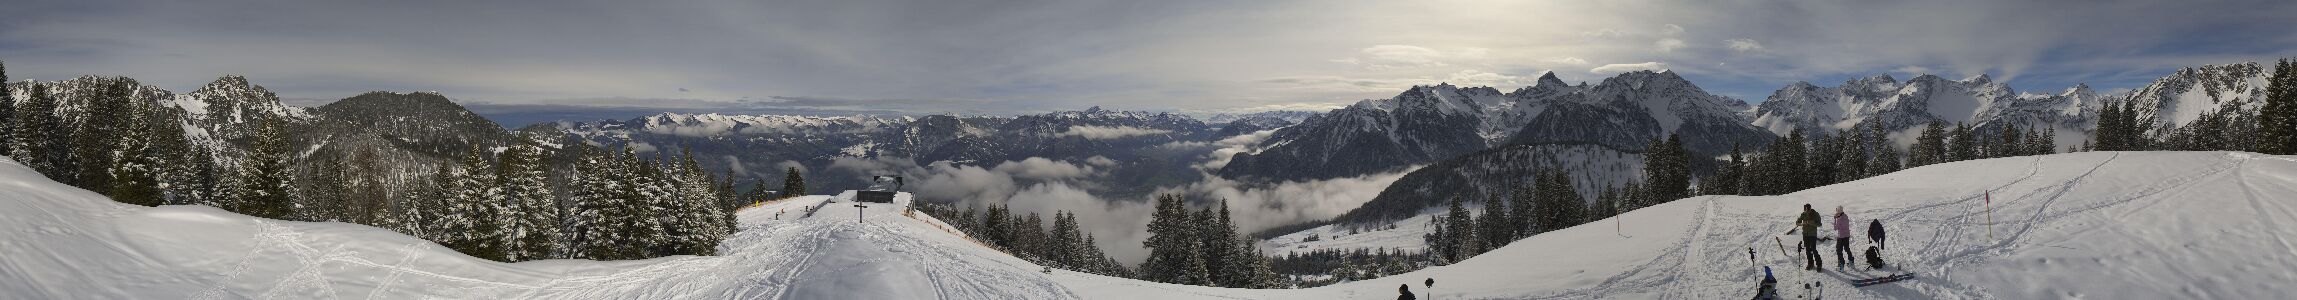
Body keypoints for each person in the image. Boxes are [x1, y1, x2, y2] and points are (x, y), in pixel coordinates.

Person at [1796, 204, 1823, 271]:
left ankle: (1819, 264)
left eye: (1808, 210)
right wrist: (1802, 224)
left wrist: (1810, 222)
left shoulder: (1815, 214)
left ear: (1810, 209)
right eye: (1805, 211)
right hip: (1805, 234)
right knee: (1808, 250)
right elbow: (1797, 222)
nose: (1806, 212)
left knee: (1813, 249)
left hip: (1812, 234)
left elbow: (1819, 224)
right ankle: (1810, 263)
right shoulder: (1803, 214)